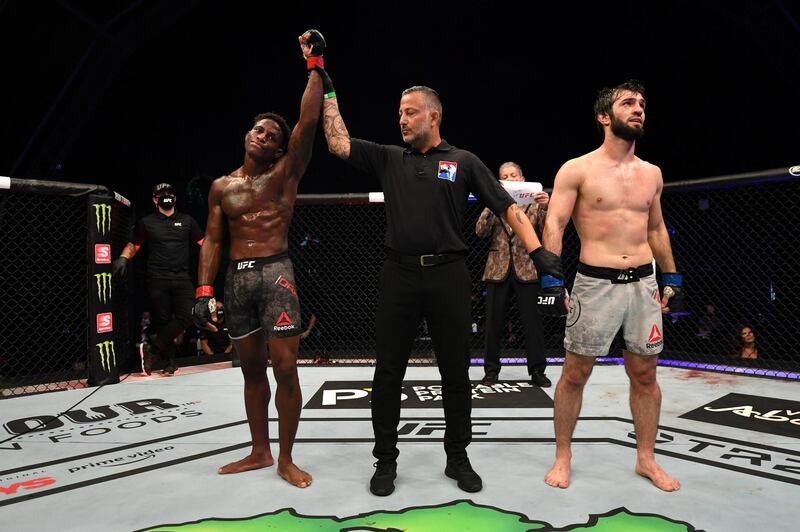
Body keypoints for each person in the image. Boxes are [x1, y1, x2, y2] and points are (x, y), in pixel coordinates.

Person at [322, 84, 554, 496]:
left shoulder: (463, 161)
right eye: (399, 113)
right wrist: (325, 83)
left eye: (410, 112)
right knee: (388, 370)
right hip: (399, 275)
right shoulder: (390, 157)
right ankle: (386, 460)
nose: (402, 119)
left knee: (455, 373)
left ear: (433, 116)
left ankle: (458, 457)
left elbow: (506, 206)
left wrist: (538, 253)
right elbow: (337, 142)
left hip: (449, 275)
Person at [191, 29, 328, 489]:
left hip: (276, 273)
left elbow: (307, 125)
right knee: (250, 370)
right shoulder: (221, 187)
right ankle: (259, 451)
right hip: (236, 279)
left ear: (276, 148)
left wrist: (315, 67)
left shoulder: (284, 174)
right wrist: (204, 290)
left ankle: (287, 458)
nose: (262, 135)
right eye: (257, 129)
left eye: (271, 135)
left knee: (285, 367)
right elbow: (212, 240)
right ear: (247, 135)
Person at [533, 80, 685, 492]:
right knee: (575, 373)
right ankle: (562, 456)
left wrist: (671, 277)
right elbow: (555, 223)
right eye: (628, 103)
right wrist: (551, 278)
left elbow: (655, 227)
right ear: (604, 116)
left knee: (645, 374)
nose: (639, 109)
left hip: (643, 284)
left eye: (642, 104)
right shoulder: (577, 168)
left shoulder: (651, 173)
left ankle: (646, 459)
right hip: (594, 284)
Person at [112, 183, 204, 376]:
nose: (166, 196)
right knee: (162, 320)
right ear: (155, 199)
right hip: (157, 278)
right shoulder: (147, 222)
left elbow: (204, 243)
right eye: (162, 194)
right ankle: (170, 362)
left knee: (187, 316)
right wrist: (123, 258)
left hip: (182, 277)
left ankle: (152, 350)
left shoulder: (187, 221)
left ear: (175, 198)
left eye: (170, 193)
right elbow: (134, 244)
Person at [476, 161, 551, 388]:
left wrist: (547, 207)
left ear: (522, 179)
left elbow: (548, 232)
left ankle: (537, 370)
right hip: (498, 268)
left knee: (532, 323)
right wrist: (491, 203)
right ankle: (491, 371)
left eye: (513, 175)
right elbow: (480, 231)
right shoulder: (494, 203)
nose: (509, 178)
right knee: (493, 324)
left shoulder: (535, 204)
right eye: (504, 176)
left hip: (526, 268)